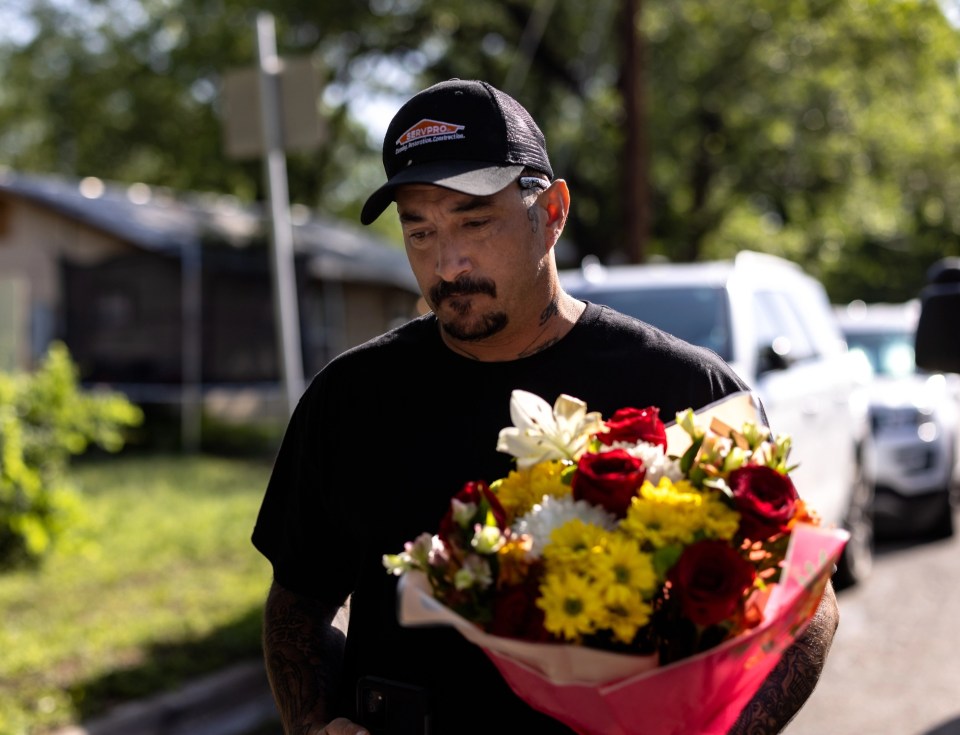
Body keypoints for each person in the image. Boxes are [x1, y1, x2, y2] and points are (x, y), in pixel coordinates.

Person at [252, 78, 839, 735]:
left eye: (473, 221)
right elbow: (298, 602)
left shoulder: (683, 390)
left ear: (552, 211)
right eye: (420, 232)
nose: (448, 263)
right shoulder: (350, 397)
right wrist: (311, 723)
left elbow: (807, 608)